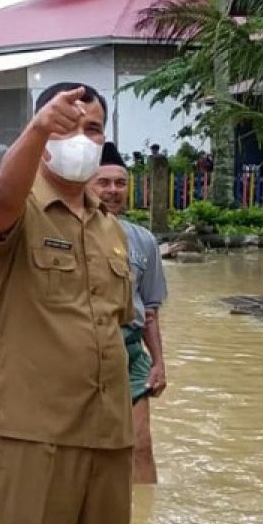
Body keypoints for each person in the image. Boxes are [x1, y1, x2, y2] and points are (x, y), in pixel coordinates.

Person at [0, 82, 134, 524]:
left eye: (93, 130)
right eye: (69, 128)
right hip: (35, 432)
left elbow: (120, 325)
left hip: (109, 431)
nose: (82, 140)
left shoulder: (111, 226)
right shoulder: (22, 207)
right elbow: (2, 203)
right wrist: (41, 127)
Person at [91, 142, 168, 483]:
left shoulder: (143, 240)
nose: (112, 191)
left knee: (141, 445)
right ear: (88, 186)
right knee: (86, 450)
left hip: (131, 351)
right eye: (103, 182)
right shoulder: (71, 233)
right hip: (85, 351)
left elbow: (149, 310)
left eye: (119, 183)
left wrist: (159, 363)